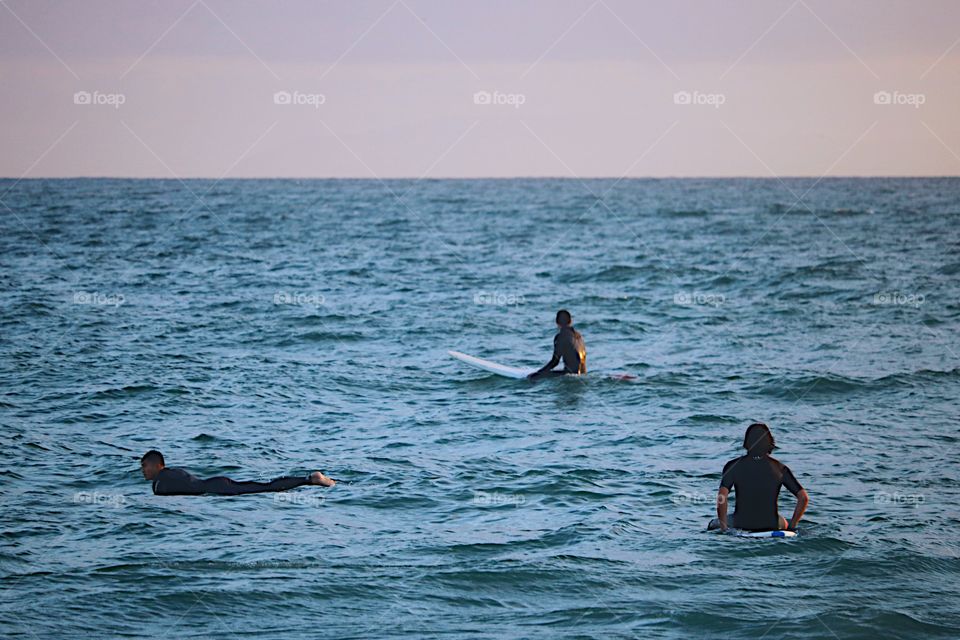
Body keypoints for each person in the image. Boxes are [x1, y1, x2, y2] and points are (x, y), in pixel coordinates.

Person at [708, 423, 809, 532]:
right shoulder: (780, 468)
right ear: (770, 442)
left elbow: (721, 497)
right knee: (784, 522)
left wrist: (724, 528)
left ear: (747, 442)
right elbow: (803, 497)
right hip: (772, 524)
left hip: (741, 523)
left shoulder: (733, 466)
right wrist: (792, 526)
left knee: (712, 524)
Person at [140, 450, 335, 496]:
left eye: (146, 466)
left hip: (217, 490)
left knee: (265, 489)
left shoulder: (160, 483)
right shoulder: (173, 473)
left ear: (158, 466)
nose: (143, 470)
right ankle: (308, 480)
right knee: (264, 487)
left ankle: (311, 480)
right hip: (217, 483)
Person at [528, 309, 587, 379]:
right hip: (583, 375)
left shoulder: (561, 336)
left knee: (531, 377)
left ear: (557, 322)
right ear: (571, 321)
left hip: (570, 375)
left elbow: (555, 362)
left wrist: (539, 372)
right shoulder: (579, 336)